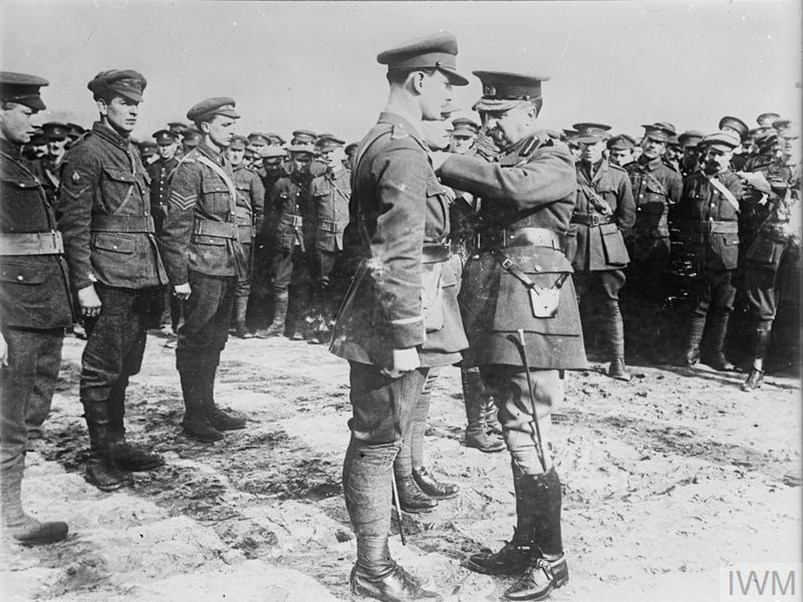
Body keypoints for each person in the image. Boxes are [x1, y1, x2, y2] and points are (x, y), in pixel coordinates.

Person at [329, 31, 469, 602]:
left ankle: (379, 553)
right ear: (418, 80)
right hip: (397, 314)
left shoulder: (379, 140)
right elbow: (397, 251)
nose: (452, 99)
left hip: (391, 306)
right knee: (377, 435)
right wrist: (407, 333)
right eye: (446, 84)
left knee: (385, 429)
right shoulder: (403, 149)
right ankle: (373, 567)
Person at [437, 70, 587, 601]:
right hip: (500, 293)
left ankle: (552, 557)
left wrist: (446, 162)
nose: (487, 124)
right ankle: (527, 543)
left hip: (532, 297)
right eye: (483, 115)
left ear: (530, 112)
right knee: (512, 421)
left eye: (498, 116)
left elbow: (514, 189)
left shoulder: (552, 158)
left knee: (531, 426)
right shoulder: (499, 158)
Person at [56, 69, 167, 491]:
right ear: (102, 105)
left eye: (137, 103)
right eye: (124, 102)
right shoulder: (87, 153)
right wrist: (82, 282)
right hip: (107, 278)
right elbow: (75, 224)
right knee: (102, 370)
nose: (134, 109)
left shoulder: (130, 152)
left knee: (124, 367)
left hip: (138, 275)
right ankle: (100, 456)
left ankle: (117, 443)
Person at [0, 71, 71, 545]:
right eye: (26, 111)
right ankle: (10, 517)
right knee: (8, 415)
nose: (35, 120)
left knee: (28, 411)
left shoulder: (19, 162)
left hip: (40, 306)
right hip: (12, 312)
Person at [160, 97, 249, 442]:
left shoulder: (222, 164)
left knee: (215, 339)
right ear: (206, 127)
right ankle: (194, 414)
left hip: (226, 263)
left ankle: (207, 405)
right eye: (226, 125)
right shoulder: (190, 167)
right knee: (195, 339)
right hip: (201, 266)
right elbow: (175, 228)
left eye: (233, 124)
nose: (232, 131)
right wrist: (179, 277)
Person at [568, 122, 635, 381]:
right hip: (574, 244)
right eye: (583, 145)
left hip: (607, 246)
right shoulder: (568, 172)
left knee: (610, 303)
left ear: (604, 145)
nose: (587, 150)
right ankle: (572, 357)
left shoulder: (618, 175)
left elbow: (627, 219)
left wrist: (606, 234)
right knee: (571, 302)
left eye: (593, 145)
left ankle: (617, 361)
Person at [677, 132, 743, 371]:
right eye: (712, 153)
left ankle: (716, 354)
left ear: (731, 156)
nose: (715, 158)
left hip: (727, 254)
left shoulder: (738, 184)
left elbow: (746, 222)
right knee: (698, 302)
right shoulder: (694, 181)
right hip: (698, 251)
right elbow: (682, 216)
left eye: (721, 154)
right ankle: (691, 351)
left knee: (723, 306)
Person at [738, 129, 799, 390]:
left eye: (795, 140)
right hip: (772, 243)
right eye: (784, 141)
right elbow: (751, 203)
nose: (788, 146)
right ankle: (757, 369)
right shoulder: (767, 170)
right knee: (763, 306)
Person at [262, 145, 316, 339]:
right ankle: (278, 325)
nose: (303, 165)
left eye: (307, 161)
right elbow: (273, 211)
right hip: (285, 237)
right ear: (291, 160)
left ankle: (300, 327)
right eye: (299, 160)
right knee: (280, 280)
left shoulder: (314, 183)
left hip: (306, 240)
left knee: (303, 282)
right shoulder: (281, 184)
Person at [625, 122, 683, 301]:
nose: (652, 145)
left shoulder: (671, 176)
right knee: (626, 295)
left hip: (655, 247)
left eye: (659, 143)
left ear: (665, 148)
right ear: (642, 142)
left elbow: (678, 212)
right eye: (649, 140)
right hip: (628, 243)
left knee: (651, 298)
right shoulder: (627, 171)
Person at [308, 137, 350, 344]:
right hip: (325, 239)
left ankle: (345, 330)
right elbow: (312, 214)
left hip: (348, 239)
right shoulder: (317, 183)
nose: (328, 156)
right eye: (325, 153)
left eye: (333, 152)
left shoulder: (351, 179)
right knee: (325, 284)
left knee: (348, 284)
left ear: (342, 155)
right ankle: (327, 328)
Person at [227, 134, 265, 338]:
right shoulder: (218, 171)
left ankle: (240, 322)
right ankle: (221, 322)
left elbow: (260, 208)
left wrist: (254, 232)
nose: (235, 154)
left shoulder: (251, 177)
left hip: (242, 233)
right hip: (221, 231)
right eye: (232, 150)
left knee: (242, 278)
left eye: (239, 151)